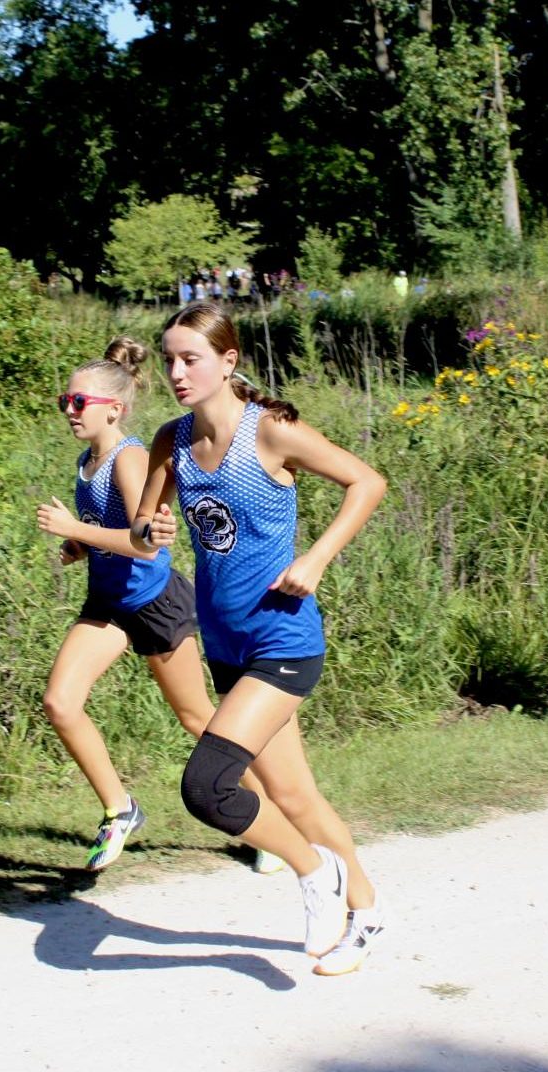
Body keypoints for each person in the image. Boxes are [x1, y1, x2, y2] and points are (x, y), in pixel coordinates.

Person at [131, 300, 387, 975]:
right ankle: (363, 907)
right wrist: (147, 533)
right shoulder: (173, 440)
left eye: (190, 358)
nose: (177, 372)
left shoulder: (269, 432)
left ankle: (313, 872)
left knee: (208, 784)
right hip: (226, 645)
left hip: (283, 638)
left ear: (227, 360)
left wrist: (316, 558)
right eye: (169, 360)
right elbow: (143, 523)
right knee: (295, 796)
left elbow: (366, 481)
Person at [34, 338, 221, 871]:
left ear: (113, 408)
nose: (69, 411)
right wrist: (80, 543)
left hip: (154, 601)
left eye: (79, 403)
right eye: (65, 401)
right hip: (109, 602)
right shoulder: (85, 461)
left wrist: (74, 529)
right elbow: (107, 530)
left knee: (196, 717)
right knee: (60, 703)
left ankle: (261, 810)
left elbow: (147, 541)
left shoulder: (130, 457)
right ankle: (121, 810)